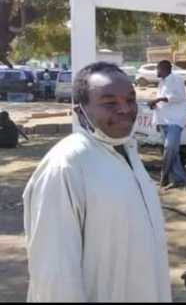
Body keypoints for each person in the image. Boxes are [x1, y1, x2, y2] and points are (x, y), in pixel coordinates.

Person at [22, 62, 171, 302]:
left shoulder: (127, 151)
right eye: (109, 103)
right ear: (80, 111)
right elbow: (55, 276)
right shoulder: (66, 166)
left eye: (130, 99)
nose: (124, 109)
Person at [149, 60, 186, 190]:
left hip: (174, 121)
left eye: (158, 69)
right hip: (163, 121)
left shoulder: (177, 79)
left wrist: (159, 99)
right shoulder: (162, 82)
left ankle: (164, 176)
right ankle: (179, 179)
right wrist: (156, 118)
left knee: (169, 148)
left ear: (164, 68)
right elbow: (162, 103)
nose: (156, 72)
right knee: (173, 152)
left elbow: (179, 97)